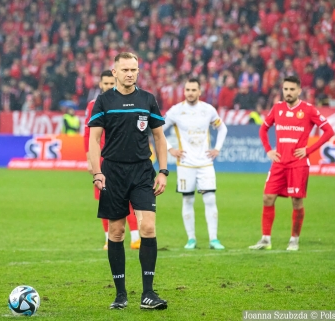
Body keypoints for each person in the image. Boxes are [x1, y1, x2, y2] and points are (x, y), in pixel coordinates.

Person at [88, 52, 168, 310]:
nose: (130, 74)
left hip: (143, 171)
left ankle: (148, 293)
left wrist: (163, 170)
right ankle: (120, 294)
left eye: (134, 69)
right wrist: (97, 172)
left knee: (148, 229)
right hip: (113, 172)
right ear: (115, 72)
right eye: (125, 70)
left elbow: (159, 137)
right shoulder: (103, 101)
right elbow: (93, 140)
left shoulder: (147, 99)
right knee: (117, 231)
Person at [249, 75, 334, 251]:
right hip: (279, 162)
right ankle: (265, 239)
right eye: (285, 89)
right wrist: (268, 150)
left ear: (299, 90)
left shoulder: (308, 110)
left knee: (296, 202)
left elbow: (328, 131)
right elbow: (263, 129)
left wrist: (308, 150)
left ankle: (294, 240)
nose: (288, 92)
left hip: (298, 164)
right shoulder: (277, 108)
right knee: (267, 197)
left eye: (291, 89)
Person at [162, 78, 228, 250]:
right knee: (188, 200)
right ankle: (191, 239)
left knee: (210, 199)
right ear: (184, 92)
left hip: (205, 164)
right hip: (185, 164)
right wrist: (170, 149)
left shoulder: (208, 110)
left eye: (193, 90)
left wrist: (217, 148)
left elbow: (223, 128)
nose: (190, 93)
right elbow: (158, 130)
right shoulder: (176, 111)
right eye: (187, 90)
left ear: (200, 92)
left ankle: (214, 239)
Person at [83, 70, 141, 250]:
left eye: (111, 83)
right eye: (105, 83)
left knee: (129, 199)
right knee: (105, 200)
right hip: (101, 160)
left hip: (123, 158)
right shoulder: (94, 105)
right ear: (100, 85)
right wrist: (89, 159)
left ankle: (135, 238)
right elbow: (88, 134)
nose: (108, 86)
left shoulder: (125, 102)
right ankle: (109, 239)